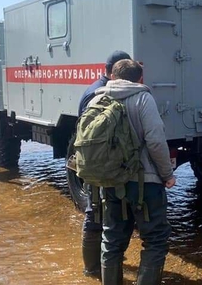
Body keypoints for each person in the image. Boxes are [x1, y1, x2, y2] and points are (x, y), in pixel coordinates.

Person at [90, 59, 176, 285]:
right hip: (145, 182)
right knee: (155, 240)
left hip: (110, 181)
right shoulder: (143, 98)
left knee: (112, 240)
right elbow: (156, 142)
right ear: (140, 78)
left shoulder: (97, 99)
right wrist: (167, 175)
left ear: (112, 76)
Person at [77, 50, 131, 278]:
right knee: (95, 212)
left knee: (98, 211)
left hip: (92, 162)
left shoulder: (92, 90)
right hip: (100, 163)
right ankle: (92, 268)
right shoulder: (101, 94)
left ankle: (97, 265)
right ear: (112, 72)